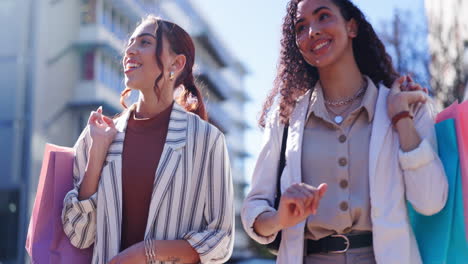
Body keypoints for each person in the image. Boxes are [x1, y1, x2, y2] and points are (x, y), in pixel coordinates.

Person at [241, 0, 448, 263]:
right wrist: (280, 217)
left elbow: (430, 201)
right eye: (301, 28)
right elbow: (253, 210)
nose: (312, 31)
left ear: (351, 27)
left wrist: (401, 118)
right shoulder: (284, 119)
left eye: (323, 17)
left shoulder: (404, 106)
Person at [62, 15, 234, 264]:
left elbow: (221, 238)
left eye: (144, 42)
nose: (129, 50)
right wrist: (97, 155)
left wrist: (146, 252)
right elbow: (79, 234)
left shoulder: (207, 140)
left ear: (176, 63)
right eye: (130, 43)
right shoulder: (98, 136)